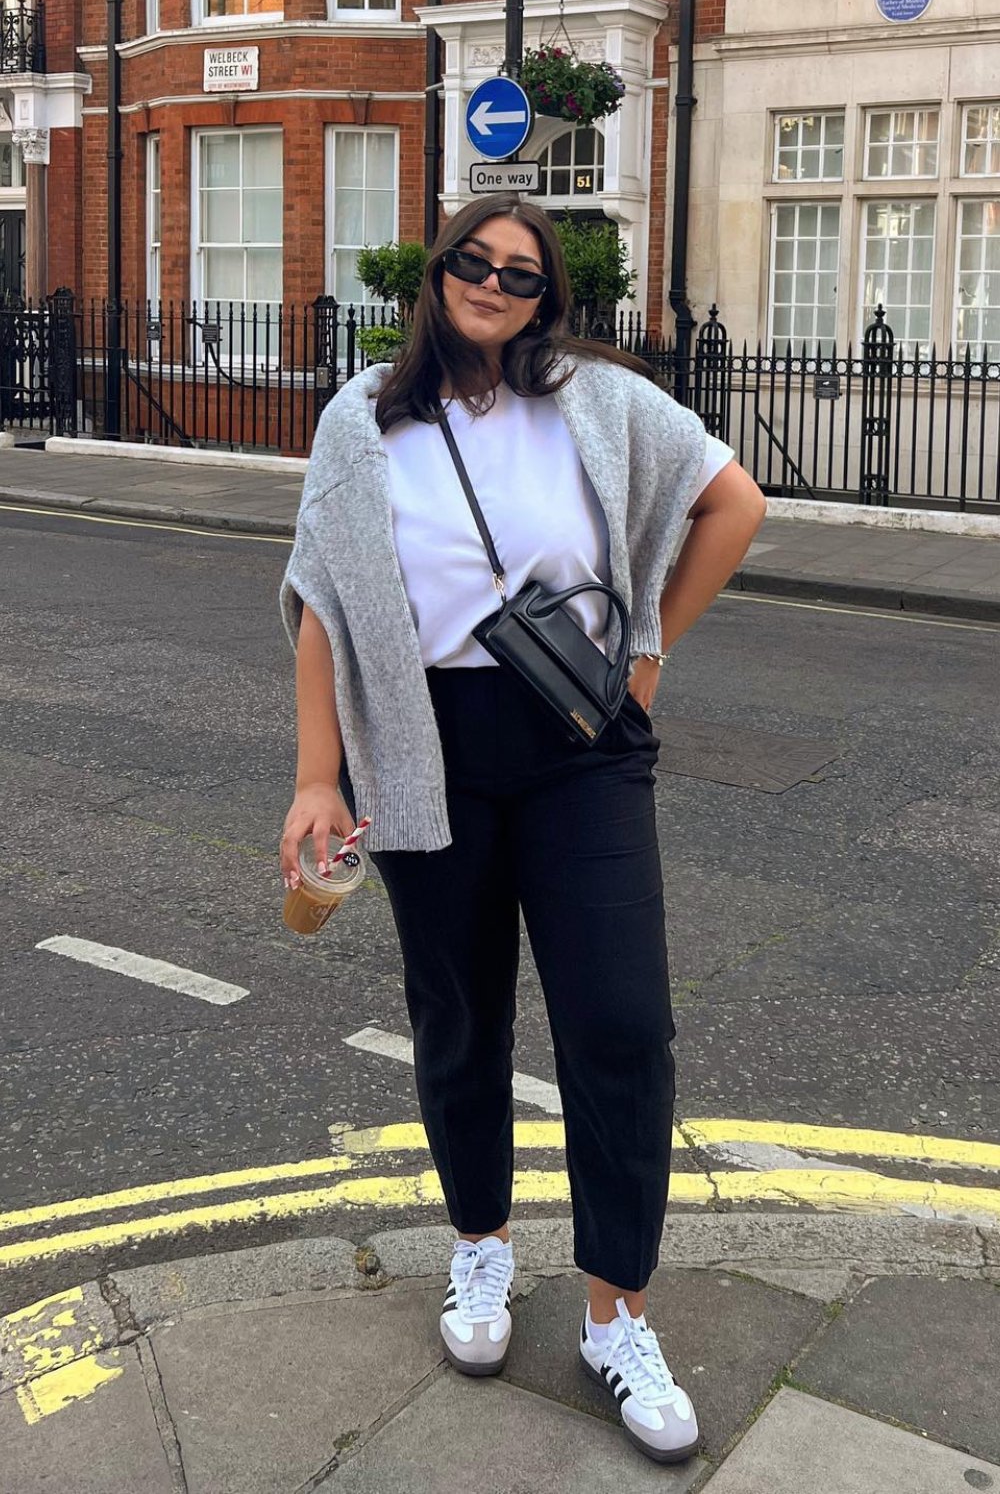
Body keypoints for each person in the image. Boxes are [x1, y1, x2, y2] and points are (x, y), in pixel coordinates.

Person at [279, 195, 766, 1465]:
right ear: (436, 275)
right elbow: (320, 598)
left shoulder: (597, 401)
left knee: (619, 1024)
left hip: (580, 752)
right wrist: (316, 777)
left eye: (523, 276)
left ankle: (616, 1313)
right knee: (460, 1016)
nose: (495, 286)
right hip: (422, 741)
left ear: (548, 300)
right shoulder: (360, 419)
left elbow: (735, 505)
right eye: (475, 264)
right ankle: (482, 1253)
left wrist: (641, 661)